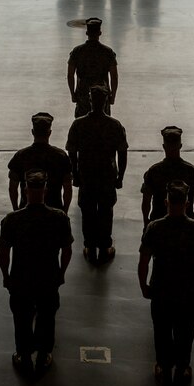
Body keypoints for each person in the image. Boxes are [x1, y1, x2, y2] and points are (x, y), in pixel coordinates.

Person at [0, 170, 73, 377]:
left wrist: (6, 276)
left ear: (25, 190)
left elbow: (4, 252)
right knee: (47, 315)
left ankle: (23, 355)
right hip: (48, 276)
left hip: (21, 277)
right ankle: (43, 354)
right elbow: (67, 250)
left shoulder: (13, 219)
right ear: (45, 191)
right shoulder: (59, 218)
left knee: (22, 317)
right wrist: (61, 273)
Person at [138, 180, 194, 386]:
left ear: (166, 202)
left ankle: (163, 366)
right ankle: (182, 366)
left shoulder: (154, 228)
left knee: (161, 329)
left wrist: (144, 285)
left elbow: (144, 261)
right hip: (188, 289)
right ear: (187, 203)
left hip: (161, 287)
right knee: (185, 330)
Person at [66, 84, 127, 265]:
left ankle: (90, 246)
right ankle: (104, 247)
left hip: (87, 175)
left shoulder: (79, 124)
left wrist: (75, 174)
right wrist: (120, 176)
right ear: (106, 101)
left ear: (90, 101)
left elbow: (72, 152)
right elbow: (122, 153)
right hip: (107, 175)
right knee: (106, 211)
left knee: (88, 211)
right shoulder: (114, 125)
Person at [8, 112, 73, 213]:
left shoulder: (21, 156)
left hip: (27, 212)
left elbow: (13, 187)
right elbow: (67, 188)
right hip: (54, 212)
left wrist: (16, 210)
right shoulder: (61, 156)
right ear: (49, 133)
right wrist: (64, 212)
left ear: (33, 132)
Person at [141, 127, 194, 228]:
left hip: (159, 224)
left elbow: (146, 199)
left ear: (164, 147)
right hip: (186, 224)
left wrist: (146, 221)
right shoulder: (191, 171)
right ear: (180, 146)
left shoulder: (154, 171)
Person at [67, 17, 118, 117]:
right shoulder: (108, 52)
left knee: (82, 123)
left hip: (83, 95)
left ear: (87, 33)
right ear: (100, 33)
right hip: (102, 96)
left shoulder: (77, 51)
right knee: (103, 122)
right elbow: (114, 76)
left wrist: (73, 94)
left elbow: (70, 75)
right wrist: (113, 96)